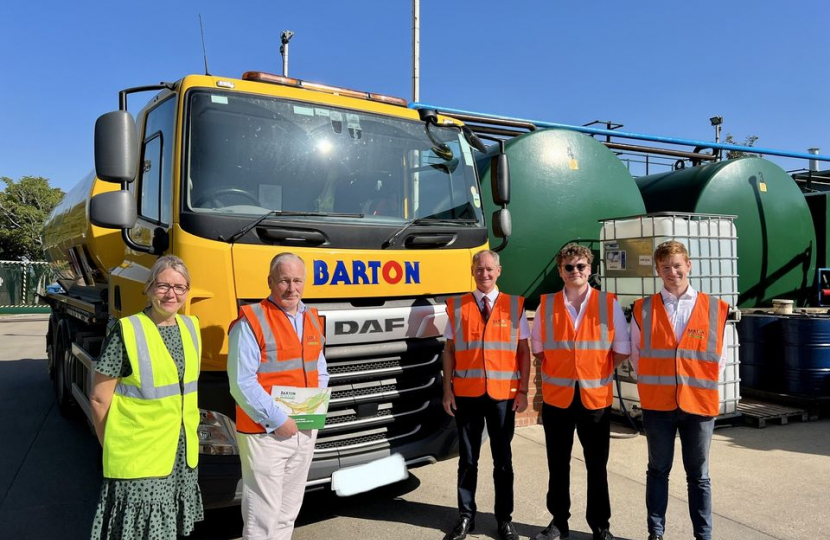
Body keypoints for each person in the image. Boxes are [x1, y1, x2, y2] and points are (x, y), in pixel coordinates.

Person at [89, 255, 203, 539]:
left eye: (179, 287)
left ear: (187, 291)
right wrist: (111, 445)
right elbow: (99, 398)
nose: (171, 294)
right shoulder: (128, 330)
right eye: (163, 285)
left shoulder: (191, 328)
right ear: (149, 288)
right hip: (139, 458)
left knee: (169, 529)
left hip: (180, 455)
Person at [630, 241, 729, 540]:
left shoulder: (715, 307)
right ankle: (656, 533)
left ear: (688, 265)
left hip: (698, 404)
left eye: (677, 265)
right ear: (657, 271)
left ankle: (703, 535)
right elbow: (637, 354)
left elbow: (721, 357)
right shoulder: (643, 308)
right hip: (657, 405)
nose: (672, 272)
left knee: (699, 476)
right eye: (665, 267)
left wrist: (695, 380)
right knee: (658, 470)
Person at [227, 252, 329, 539]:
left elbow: (319, 367)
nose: (291, 288)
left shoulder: (311, 317)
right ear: (270, 281)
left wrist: (315, 409)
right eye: (284, 280)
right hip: (265, 431)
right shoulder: (251, 320)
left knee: (287, 512)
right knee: (262, 515)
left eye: (297, 280)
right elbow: (241, 382)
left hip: (304, 427)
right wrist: (279, 418)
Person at [532, 243, 630, 540]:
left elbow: (621, 349)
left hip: (594, 399)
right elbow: (538, 349)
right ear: (560, 271)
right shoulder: (546, 304)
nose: (575, 271)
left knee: (597, 466)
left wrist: (591, 369)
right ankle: (558, 522)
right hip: (557, 399)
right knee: (557, 464)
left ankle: (601, 526)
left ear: (590, 269)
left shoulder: (608, 303)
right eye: (569, 267)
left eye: (581, 267)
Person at [442, 249, 531, 540]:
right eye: (479, 269)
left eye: (490, 269)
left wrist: (524, 391)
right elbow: (450, 351)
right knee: (468, 459)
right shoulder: (457, 306)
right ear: (472, 270)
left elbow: (523, 352)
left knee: (503, 461)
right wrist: (447, 391)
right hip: (466, 394)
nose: (485, 274)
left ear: (499, 271)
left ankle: (504, 520)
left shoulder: (514, 305)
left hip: (503, 396)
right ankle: (466, 517)